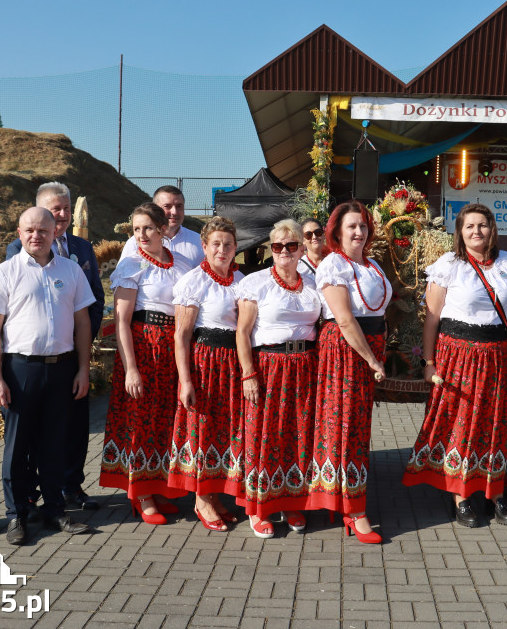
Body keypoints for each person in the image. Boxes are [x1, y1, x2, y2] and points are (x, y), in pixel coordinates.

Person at [403, 203, 507, 528]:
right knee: (460, 422)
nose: (477, 231)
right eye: (469, 226)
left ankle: (495, 494)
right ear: (460, 231)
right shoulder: (448, 265)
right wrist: (429, 363)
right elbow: (431, 319)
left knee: (494, 423)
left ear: (492, 229)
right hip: (456, 354)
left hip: (498, 354)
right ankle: (460, 497)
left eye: (483, 225)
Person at [0, 207, 94, 545]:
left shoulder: (72, 271)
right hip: (21, 370)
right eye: (30, 230)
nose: (37, 236)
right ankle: (17, 514)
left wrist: (83, 369)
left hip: (61, 368)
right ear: (19, 232)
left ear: (54, 233)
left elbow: (82, 323)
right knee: (17, 447)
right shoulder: (4, 273)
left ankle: (54, 509)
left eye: (43, 231)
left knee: (53, 444)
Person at [6, 182, 105, 511]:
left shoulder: (82, 248)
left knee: (74, 425)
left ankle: (71, 487)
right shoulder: (16, 251)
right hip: (31, 360)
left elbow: (94, 300)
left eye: (65, 208)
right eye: (54, 209)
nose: (61, 214)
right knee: (34, 431)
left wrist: (81, 348)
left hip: (70, 355)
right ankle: (30, 493)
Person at [99, 203, 186, 524]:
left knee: (164, 419)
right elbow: (121, 321)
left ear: (163, 229)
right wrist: (131, 367)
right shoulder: (132, 265)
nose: (141, 235)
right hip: (143, 347)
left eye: (147, 228)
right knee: (138, 421)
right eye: (136, 229)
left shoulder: (182, 265)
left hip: (171, 350)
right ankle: (140, 494)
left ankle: (159, 483)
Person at [236, 219, 323, 538]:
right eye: (277, 246)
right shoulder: (256, 283)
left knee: (298, 434)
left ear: (302, 248)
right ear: (270, 250)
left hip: (306, 366)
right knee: (264, 435)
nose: (284, 251)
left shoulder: (314, 283)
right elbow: (242, 333)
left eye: (291, 245)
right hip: (268, 364)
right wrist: (248, 374)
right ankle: (259, 508)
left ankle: (291, 501)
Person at [312, 201, 392, 543]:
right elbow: (344, 319)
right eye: (351, 227)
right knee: (343, 424)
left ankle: (347, 500)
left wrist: (381, 351)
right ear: (337, 232)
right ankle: (352, 509)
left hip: (368, 347)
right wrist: (372, 359)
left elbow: (380, 312)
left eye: (362, 226)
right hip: (346, 351)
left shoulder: (372, 264)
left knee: (358, 426)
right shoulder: (333, 265)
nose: (358, 232)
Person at [168, 217, 246, 531]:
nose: (222, 249)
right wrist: (185, 380)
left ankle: (213, 495)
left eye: (228, 244)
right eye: (216, 243)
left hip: (233, 364)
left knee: (225, 431)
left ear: (235, 247)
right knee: (202, 429)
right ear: (204, 247)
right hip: (205, 364)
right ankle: (200, 499)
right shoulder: (193, 282)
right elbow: (181, 336)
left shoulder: (242, 279)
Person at [120, 185, 204, 270]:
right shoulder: (135, 243)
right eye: (167, 206)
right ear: (155, 209)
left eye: (179, 206)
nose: (174, 212)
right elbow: (122, 275)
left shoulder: (199, 242)